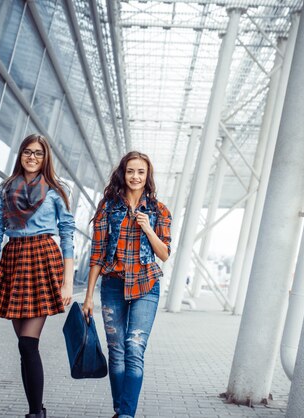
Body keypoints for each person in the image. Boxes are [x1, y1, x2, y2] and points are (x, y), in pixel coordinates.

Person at [0, 133, 75, 418]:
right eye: (27, 152)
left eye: (39, 153)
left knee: (27, 343)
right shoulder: (5, 189)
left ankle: (35, 414)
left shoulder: (56, 191)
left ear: (46, 159)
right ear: (20, 155)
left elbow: (67, 235)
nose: (32, 157)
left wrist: (67, 282)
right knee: (24, 347)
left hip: (43, 261)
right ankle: (37, 409)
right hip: (14, 260)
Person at [83, 151, 172, 418]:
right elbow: (97, 254)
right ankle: (121, 410)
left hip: (146, 286)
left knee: (134, 349)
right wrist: (88, 297)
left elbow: (165, 253)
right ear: (124, 173)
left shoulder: (158, 211)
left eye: (140, 172)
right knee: (117, 350)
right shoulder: (108, 207)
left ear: (147, 177)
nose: (135, 176)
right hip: (113, 285)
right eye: (131, 171)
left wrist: (148, 228)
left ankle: (125, 415)